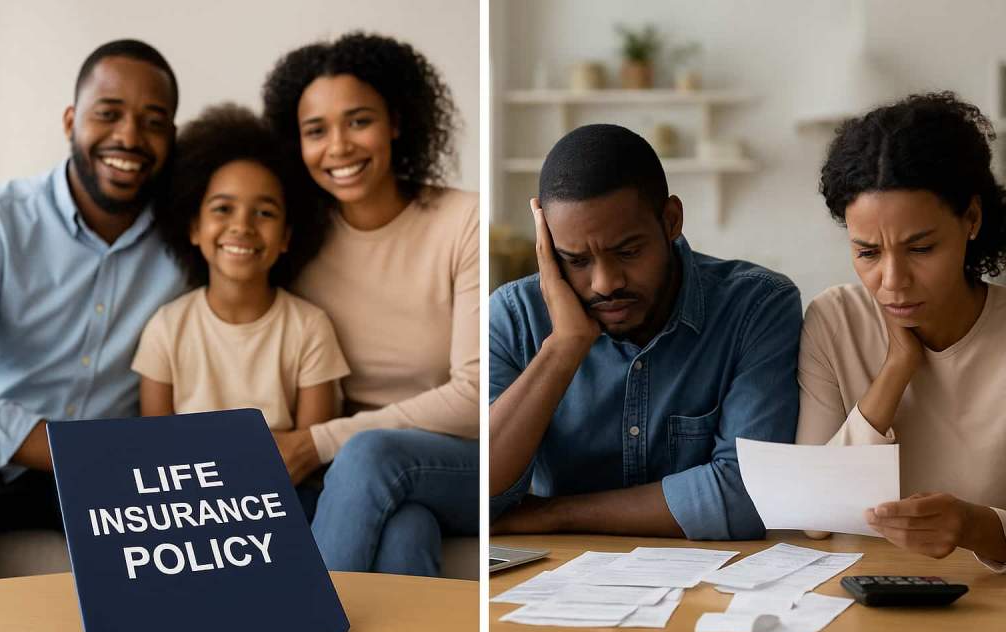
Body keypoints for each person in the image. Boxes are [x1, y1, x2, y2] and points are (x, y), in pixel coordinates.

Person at [489, 124, 801, 540]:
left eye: (628, 252)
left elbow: (751, 495)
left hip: (714, 580)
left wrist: (554, 514)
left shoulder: (757, 307)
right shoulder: (515, 316)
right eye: (576, 260)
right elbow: (479, 497)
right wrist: (563, 347)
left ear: (671, 220)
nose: (605, 283)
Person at [261, 32, 478, 576]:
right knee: (406, 532)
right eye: (316, 131)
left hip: (468, 459)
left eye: (359, 121)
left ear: (397, 123)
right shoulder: (299, 242)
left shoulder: (461, 222)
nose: (338, 147)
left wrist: (318, 442)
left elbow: (477, 397)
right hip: (363, 478)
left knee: (371, 454)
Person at [0, 40, 185, 534]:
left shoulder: (192, 241)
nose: (129, 137)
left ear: (172, 138)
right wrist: (64, 450)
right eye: (108, 113)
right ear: (71, 121)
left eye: (153, 122)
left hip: (119, 480)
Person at [798, 92, 1006, 569]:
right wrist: (896, 368)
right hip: (856, 602)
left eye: (921, 248)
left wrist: (977, 527)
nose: (892, 283)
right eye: (868, 253)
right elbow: (814, 514)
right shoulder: (834, 321)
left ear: (971, 220)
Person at [131, 105, 349, 440]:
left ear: (287, 237)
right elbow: (156, 449)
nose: (242, 226)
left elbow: (308, 454)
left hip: (286, 488)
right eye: (222, 209)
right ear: (193, 228)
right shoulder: (166, 328)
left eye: (264, 212)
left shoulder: (309, 329)